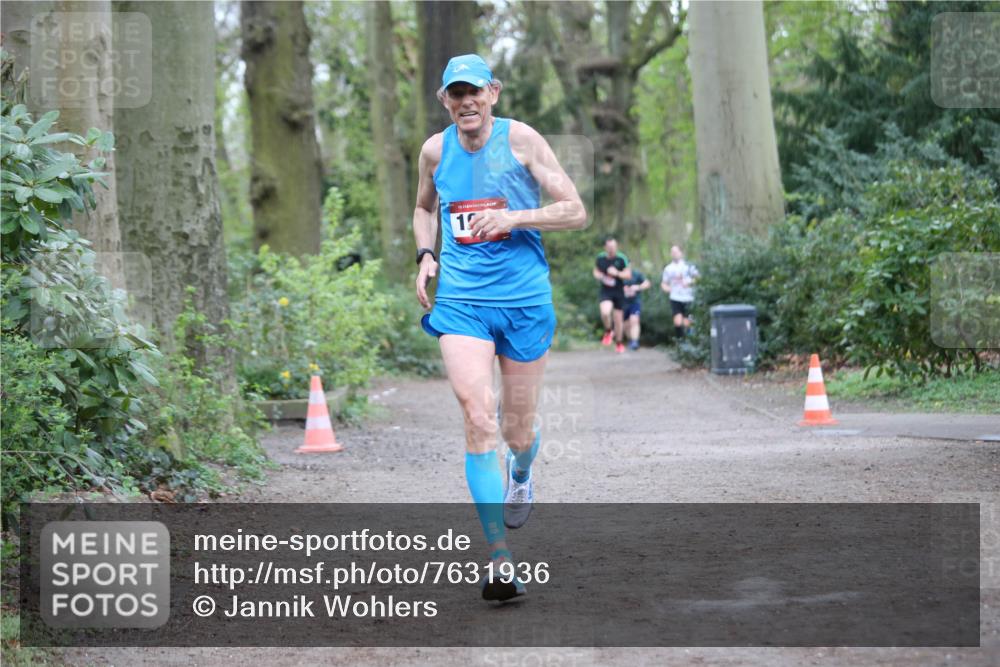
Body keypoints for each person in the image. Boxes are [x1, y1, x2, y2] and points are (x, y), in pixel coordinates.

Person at [412, 54, 587, 601]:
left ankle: (522, 469)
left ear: (493, 93)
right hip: (462, 301)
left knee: (518, 431)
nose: (465, 102)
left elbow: (575, 210)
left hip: (524, 301)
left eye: (474, 92)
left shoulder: (523, 142)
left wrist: (514, 217)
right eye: (454, 93)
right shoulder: (435, 151)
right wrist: (425, 254)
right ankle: (499, 559)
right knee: (476, 414)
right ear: (445, 100)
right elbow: (422, 208)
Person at [593, 235, 632, 354]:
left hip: (618, 291)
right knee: (605, 312)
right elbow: (596, 270)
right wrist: (598, 275)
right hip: (606, 291)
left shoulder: (622, 258)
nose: (612, 249)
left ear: (617, 246)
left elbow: (628, 275)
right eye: (609, 247)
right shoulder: (600, 258)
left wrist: (617, 273)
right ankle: (608, 331)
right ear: (605, 247)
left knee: (618, 320)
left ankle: (619, 343)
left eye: (614, 247)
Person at [660, 245, 699, 340]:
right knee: (677, 321)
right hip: (675, 298)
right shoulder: (668, 268)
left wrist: (689, 282)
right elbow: (664, 283)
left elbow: (698, 278)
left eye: (676, 252)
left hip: (689, 297)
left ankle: (690, 342)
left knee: (687, 322)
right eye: (672, 252)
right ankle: (680, 343)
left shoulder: (689, 266)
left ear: (681, 253)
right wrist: (667, 289)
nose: (674, 254)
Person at [621, 267, 651, 351]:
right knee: (626, 324)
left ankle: (635, 342)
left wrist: (638, 287)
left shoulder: (636, 274)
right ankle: (631, 340)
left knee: (634, 320)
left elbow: (647, 283)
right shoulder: (618, 274)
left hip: (635, 302)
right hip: (622, 303)